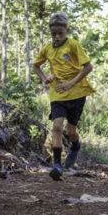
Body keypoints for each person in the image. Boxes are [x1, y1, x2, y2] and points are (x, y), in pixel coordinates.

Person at [33, 12, 95, 181]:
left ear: (67, 31)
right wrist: (45, 78)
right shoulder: (47, 48)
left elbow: (88, 67)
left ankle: (76, 145)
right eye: (54, 34)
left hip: (77, 93)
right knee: (57, 127)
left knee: (70, 131)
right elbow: (36, 65)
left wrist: (71, 83)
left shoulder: (73, 45)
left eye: (60, 33)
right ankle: (57, 165)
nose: (57, 37)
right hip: (57, 92)